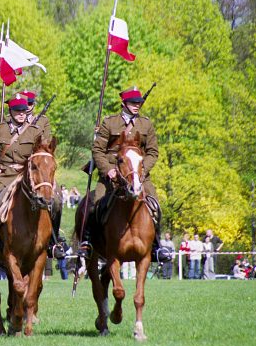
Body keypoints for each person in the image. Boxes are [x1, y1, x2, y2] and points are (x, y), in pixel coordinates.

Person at [78, 85, 160, 257]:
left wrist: (143, 168)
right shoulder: (110, 122)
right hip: (112, 175)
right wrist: (108, 170)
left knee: (154, 203)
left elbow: (153, 152)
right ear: (124, 103)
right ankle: (87, 241)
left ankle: (156, 246)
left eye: (139, 102)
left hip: (137, 174)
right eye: (133, 102)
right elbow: (97, 150)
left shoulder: (146, 124)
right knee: (95, 203)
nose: (137, 105)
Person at [0, 93, 53, 256]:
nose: (22, 113)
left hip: (27, 177)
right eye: (18, 110)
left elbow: (42, 154)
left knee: (53, 200)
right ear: (11, 111)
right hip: (4, 176)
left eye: (24, 110)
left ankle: (54, 242)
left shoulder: (35, 132)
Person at [22, 89, 63, 256]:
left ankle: (54, 240)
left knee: (57, 199)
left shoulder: (43, 121)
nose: (26, 108)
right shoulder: (11, 121)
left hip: (38, 169)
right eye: (24, 105)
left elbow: (46, 145)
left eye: (30, 104)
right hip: (16, 168)